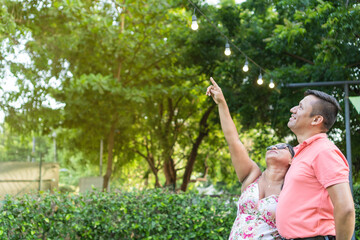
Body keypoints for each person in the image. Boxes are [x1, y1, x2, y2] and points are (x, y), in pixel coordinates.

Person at [207, 77, 294, 240]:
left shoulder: (291, 187)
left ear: (292, 160)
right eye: (272, 146)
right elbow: (233, 141)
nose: (274, 147)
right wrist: (221, 103)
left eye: (282, 147)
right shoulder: (252, 175)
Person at [276, 89, 356, 240]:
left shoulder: (324, 151)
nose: (292, 110)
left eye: (300, 107)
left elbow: (346, 209)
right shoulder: (302, 151)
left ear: (316, 120)